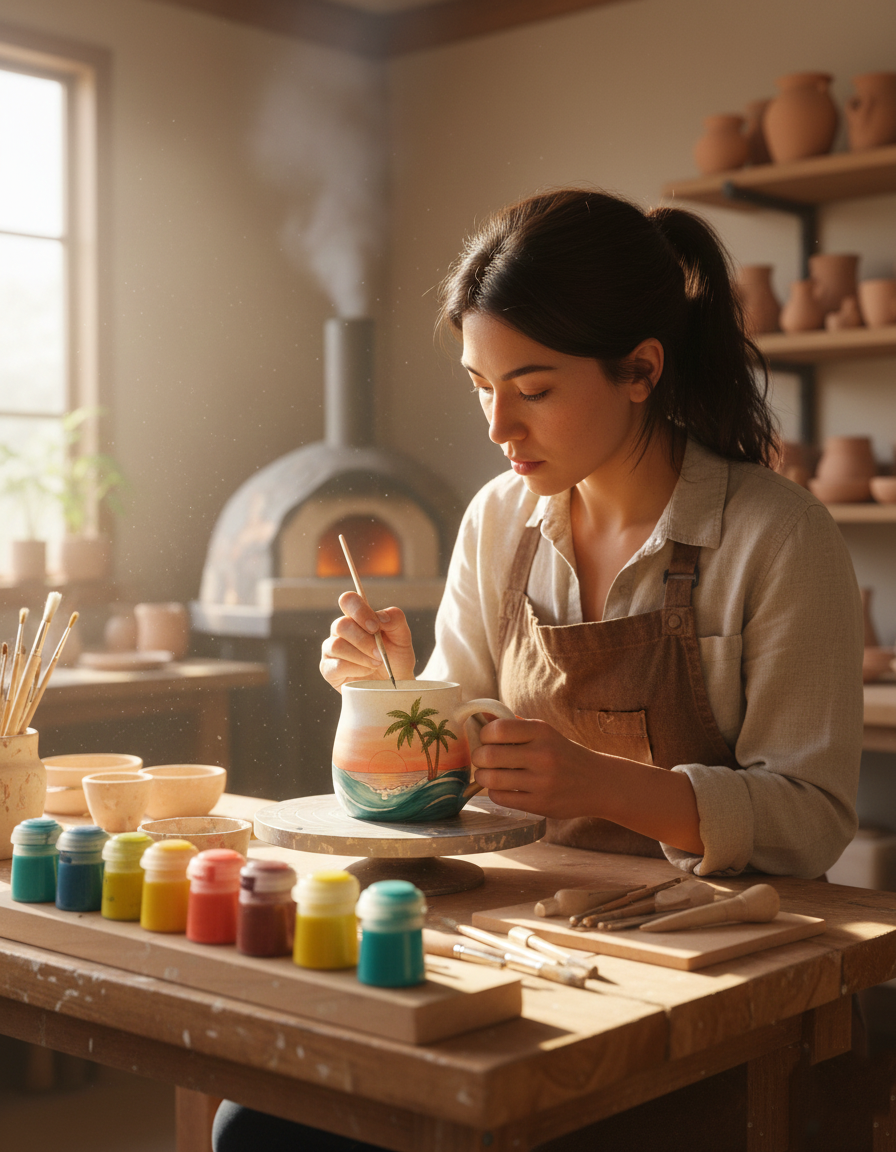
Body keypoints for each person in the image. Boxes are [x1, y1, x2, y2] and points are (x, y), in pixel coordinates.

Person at [213, 188, 863, 1152]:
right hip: (526, 933)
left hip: (703, 965)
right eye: (481, 384)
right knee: (261, 1119)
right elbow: (463, 731)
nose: (496, 425)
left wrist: (607, 785)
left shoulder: (775, 535)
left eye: (535, 387)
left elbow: (810, 818)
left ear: (641, 369)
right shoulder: (499, 520)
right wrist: (401, 689)